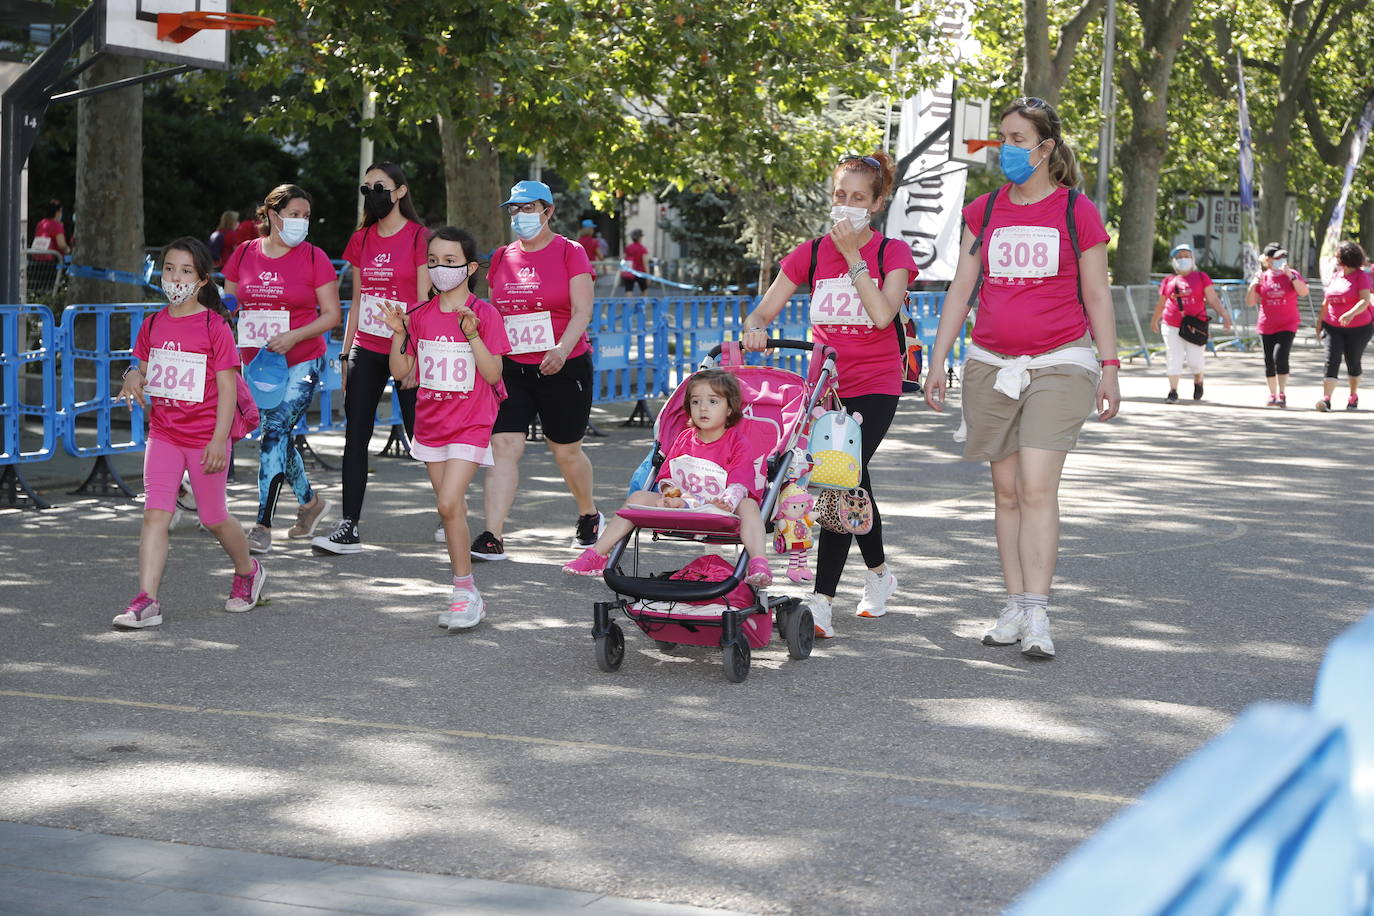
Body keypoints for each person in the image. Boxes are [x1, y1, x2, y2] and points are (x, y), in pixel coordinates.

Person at [925, 96, 1121, 660]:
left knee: (1036, 485)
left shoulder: (1075, 211)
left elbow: (1097, 295)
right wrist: (940, 360)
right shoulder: (984, 211)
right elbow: (961, 290)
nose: (1006, 149)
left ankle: (1037, 611)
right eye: (1002, 138)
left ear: (1045, 148)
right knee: (1006, 492)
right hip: (991, 363)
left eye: (1016, 139)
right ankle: (1013, 604)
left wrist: (1109, 367)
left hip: (1062, 362)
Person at [741, 151, 916, 638]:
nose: (846, 205)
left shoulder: (891, 254)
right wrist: (755, 329)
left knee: (840, 480)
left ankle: (821, 601)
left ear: (877, 204)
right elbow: (762, 312)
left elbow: (883, 316)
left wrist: (856, 259)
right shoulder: (811, 252)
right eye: (840, 195)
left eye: (858, 198)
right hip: (825, 389)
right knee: (854, 480)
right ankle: (880, 575)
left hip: (875, 384)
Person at [113, 237, 265, 629]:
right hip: (163, 434)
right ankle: (146, 601)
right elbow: (142, 368)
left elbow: (228, 388)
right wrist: (131, 375)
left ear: (200, 280)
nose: (174, 277)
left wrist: (219, 439)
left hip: (205, 437)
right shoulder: (153, 323)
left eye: (184, 271)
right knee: (154, 514)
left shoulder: (214, 326)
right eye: (168, 268)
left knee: (214, 518)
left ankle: (248, 571)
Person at [379, 227, 509, 629]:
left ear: (470, 268)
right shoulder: (418, 315)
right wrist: (398, 334)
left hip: (472, 423)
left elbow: (492, 373)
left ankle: (463, 590)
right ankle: (468, 591)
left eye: (450, 262)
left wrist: (471, 335)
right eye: (433, 261)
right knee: (452, 509)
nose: (440, 269)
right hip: (431, 424)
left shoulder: (485, 314)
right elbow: (403, 374)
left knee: (447, 504)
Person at [469, 180, 601, 559]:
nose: (521, 216)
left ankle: (588, 513)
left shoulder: (570, 252)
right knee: (504, 446)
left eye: (529, 209)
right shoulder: (501, 258)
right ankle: (492, 534)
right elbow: (496, 312)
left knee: (565, 451)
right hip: (513, 367)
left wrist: (562, 347)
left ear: (548, 211)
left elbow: (582, 311)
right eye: (514, 209)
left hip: (565, 364)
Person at [311, 162, 429, 555]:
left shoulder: (418, 238)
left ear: (400, 192)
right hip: (367, 346)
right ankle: (349, 525)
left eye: (380, 187)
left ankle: (452, 511)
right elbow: (358, 300)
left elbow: (427, 302)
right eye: (366, 189)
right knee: (356, 434)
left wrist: (416, 353)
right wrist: (345, 353)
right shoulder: (361, 239)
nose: (372, 195)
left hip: (406, 348)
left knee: (423, 438)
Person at [563, 369, 772, 587]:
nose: (703, 408)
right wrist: (670, 494)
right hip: (684, 502)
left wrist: (727, 502)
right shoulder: (684, 438)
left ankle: (758, 560)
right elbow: (668, 475)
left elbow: (740, 481)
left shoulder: (737, 442)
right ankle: (598, 554)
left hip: (719, 505)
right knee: (638, 497)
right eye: (696, 402)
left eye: (713, 401)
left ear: (730, 408)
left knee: (748, 505)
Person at [223, 184, 341, 554]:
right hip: (257, 364)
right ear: (273, 216)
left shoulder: (314, 257)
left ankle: (262, 524)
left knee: (273, 431)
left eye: (306, 216)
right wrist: (221, 304)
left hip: (301, 358)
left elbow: (332, 315)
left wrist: (293, 337)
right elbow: (229, 302)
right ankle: (310, 503)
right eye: (294, 215)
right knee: (278, 436)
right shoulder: (243, 254)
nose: (301, 222)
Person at [1150, 244, 1232, 403]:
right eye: (1179, 257)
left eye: (1186, 256)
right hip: (1172, 323)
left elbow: (1212, 299)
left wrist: (1224, 316)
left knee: (1195, 360)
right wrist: (1155, 320)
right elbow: (1161, 303)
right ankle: (1173, 391)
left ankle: (1198, 380)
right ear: (1174, 261)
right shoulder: (1169, 281)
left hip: (1196, 325)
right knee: (1174, 357)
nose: (1183, 259)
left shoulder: (1201, 277)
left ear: (1193, 259)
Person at [1315, 240, 1374, 411]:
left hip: (1359, 328)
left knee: (1353, 361)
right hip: (1333, 326)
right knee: (1331, 360)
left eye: (1338, 255)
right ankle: (1326, 399)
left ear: (1347, 257)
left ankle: (1353, 394)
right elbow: (1326, 302)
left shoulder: (1361, 276)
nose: (1335, 258)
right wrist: (1319, 323)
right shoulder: (1336, 275)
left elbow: (1365, 300)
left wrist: (1350, 314)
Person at [1247, 246, 1308, 406]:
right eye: (1277, 258)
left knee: (1280, 356)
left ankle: (1282, 393)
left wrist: (1291, 277)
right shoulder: (1263, 277)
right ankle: (1272, 394)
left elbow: (1303, 292)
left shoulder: (1292, 274)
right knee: (1269, 360)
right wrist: (1253, 285)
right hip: (1267, 324)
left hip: (1287, 323)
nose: (1281, 260)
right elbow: (1251, 301)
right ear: (1268, 260)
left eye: (1283, 257)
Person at [620, 228, 649, 294]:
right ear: (640, 238)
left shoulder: (628, 248)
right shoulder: (642, 248)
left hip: (630, 272)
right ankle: (642, 304)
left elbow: (623, 259)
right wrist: (648, 275)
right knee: (644, 290)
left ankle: (629, 304)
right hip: (641, 272)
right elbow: (645, 263)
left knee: (629, 290)